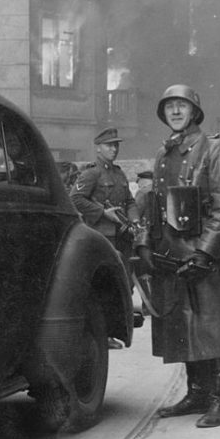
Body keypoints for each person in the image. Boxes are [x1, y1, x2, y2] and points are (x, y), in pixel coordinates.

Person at [135, 84, 220, 429]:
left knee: (210, 326)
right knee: (182, 324)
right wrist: (145, 244)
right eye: (169, 107)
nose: (175, 112)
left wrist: (205, 253)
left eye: (182, 106)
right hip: (170, 253)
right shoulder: (164, 153)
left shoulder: (214, 149)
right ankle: (196, 393)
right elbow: (153, 205)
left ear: (195, 111)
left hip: (201, 254)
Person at [71, 127, 140, 350]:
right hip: (103, 237)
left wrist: (135, 220)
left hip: (122, 236)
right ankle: (102, 335)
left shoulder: (119, 174)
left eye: (116, 145)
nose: (114, 149)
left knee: (124, 284)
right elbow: (76, 199)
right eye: (109, 145)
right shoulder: (91, 174)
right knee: (104, 284)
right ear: (98, 148)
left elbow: (129, 201)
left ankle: (115, 330)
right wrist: (102, 212)